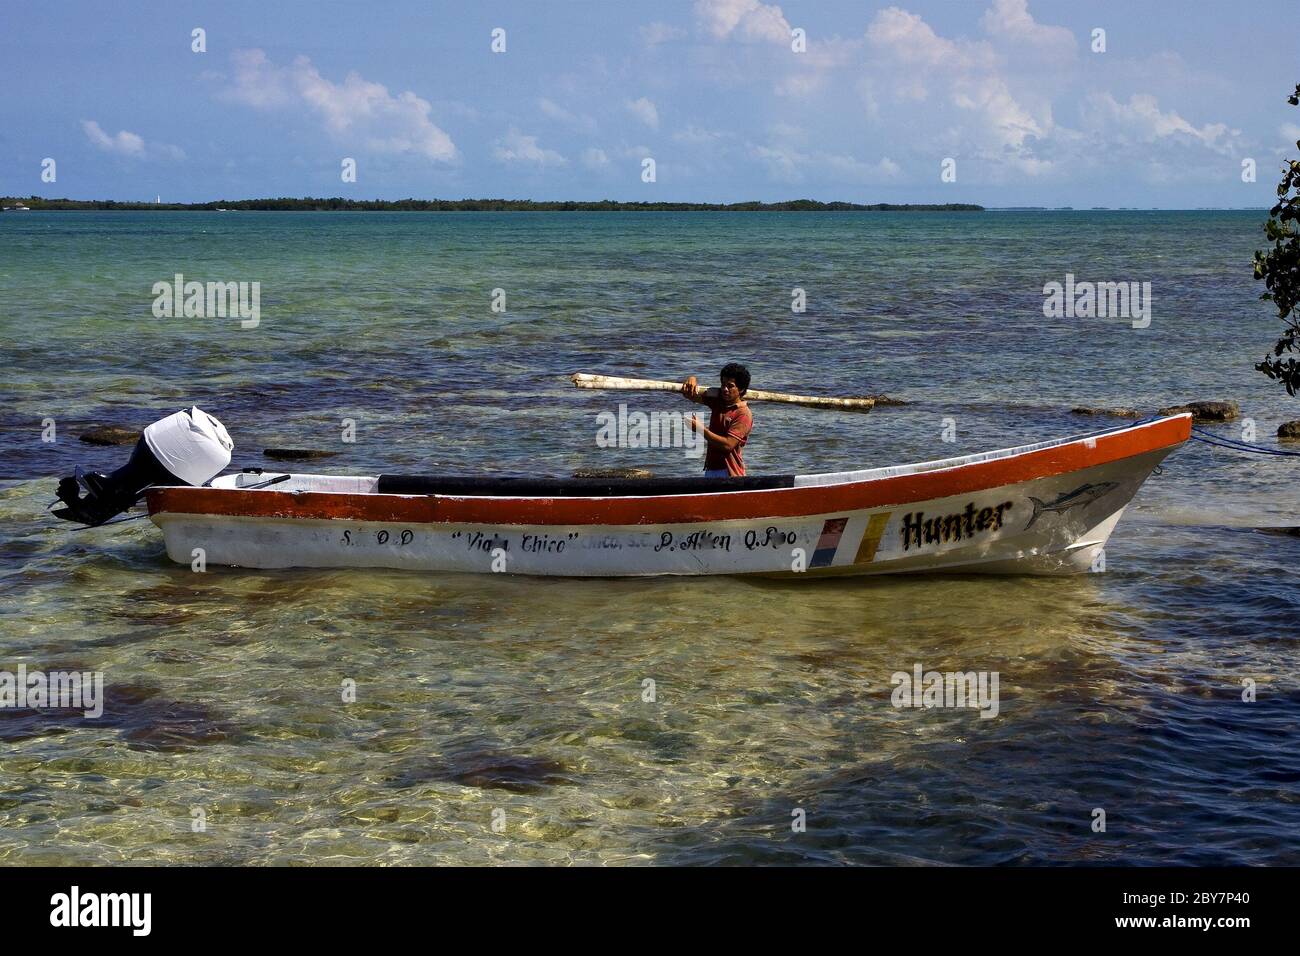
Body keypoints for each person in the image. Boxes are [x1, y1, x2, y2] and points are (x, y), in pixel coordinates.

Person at [681, 363, 753, 477]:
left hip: (730, 472)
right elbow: (690, 395)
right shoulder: (718, 403)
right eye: (723, 384)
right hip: (711, 468)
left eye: (730, 386)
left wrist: (700, 429)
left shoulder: (743, 414)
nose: (725, 389)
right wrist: (691, 379)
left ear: (741, 389)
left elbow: (728, 445)